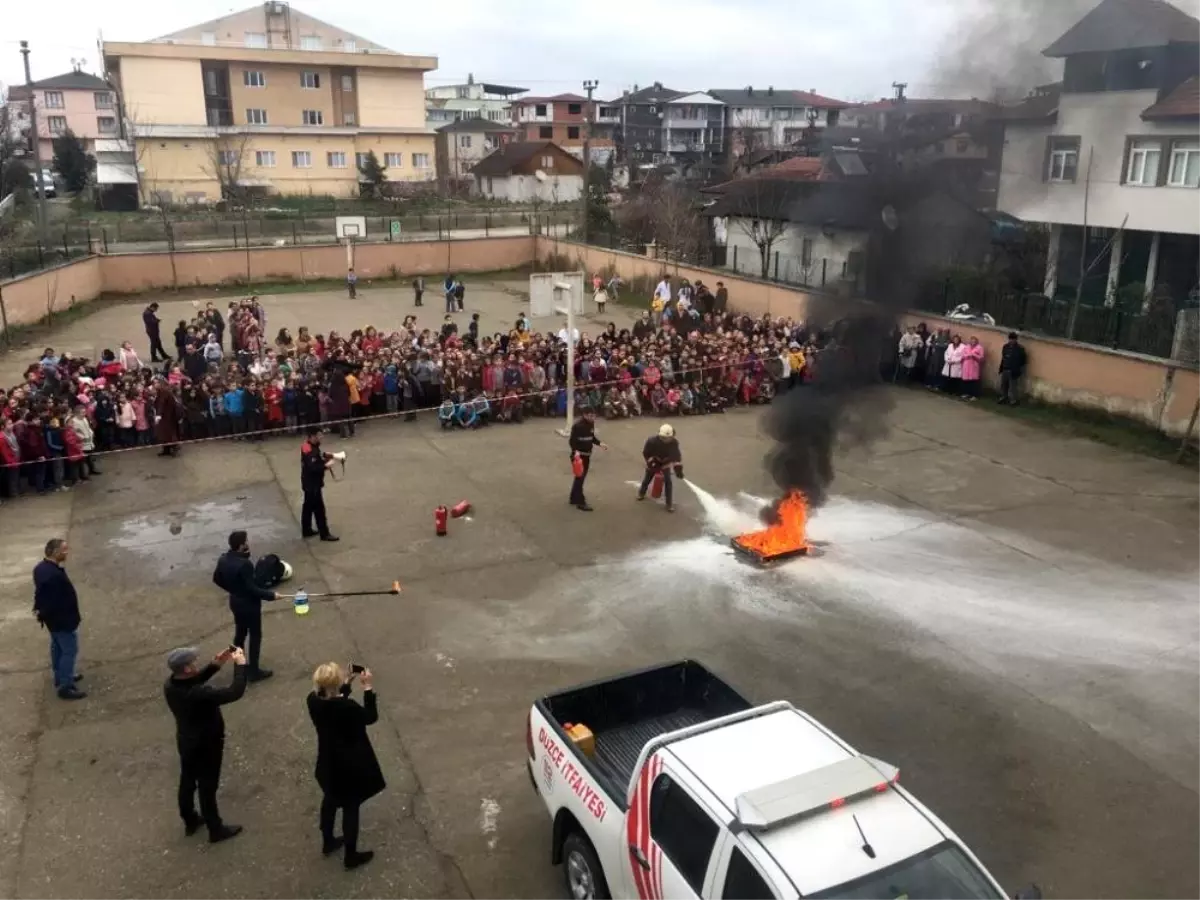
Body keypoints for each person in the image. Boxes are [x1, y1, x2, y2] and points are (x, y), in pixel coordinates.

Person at [164, 644, 247, 843]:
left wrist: (215, 664)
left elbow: (194, 679)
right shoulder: (199, 695)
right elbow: (234, 692)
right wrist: (240, 664)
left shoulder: (171, 684)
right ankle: (215, 828)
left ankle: (190, 818)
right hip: (206, 744)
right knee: (208, 786)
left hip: (186, 740)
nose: (196, 664)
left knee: (188, 781)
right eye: (193, 662)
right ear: (186, 668)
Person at [307, 662, 385, 870]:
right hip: (349, 766)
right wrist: (367, 688)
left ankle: (328, 840)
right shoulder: (346, 708)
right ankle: (351, 856)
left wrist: (346, 684)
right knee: (351, 807)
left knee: (330, 800)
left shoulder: (313, 701)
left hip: (327, 763)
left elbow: (333, 700)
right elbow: (370, 716)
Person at [212, 530, 278, 682]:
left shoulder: (223, 559)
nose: (248, 543)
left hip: (235, 602)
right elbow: (252, 589)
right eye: (246, 541)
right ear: (241, 545)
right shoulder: (245, 564)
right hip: (249, 605)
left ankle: (239, 666)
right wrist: (271, 595)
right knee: (255, 635)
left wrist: (232, 589)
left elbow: (216, 578)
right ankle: (254, 671)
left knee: (240, 633)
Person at [32, 538, 85, 700]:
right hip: (62, 620)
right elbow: (53, 602)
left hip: (53, 622)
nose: (66, 552)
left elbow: (41, 595)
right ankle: (65, 685)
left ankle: (60, 676)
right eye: (64, 550)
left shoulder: (40, 568)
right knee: (69, 650)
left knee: (57, 647)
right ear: (55, 552)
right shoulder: (53, 575)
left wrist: (40, 613)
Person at [300, 428, 340, 541]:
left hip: (308, 482)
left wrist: (324, 456)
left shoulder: (307, 446)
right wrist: (327, 465)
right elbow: (313, 467)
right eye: (319, 436)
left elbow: (314, 458)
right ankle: (324, 533)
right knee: (319, 509)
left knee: (307, 507)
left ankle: (306, 529)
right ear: (312, 436)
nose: (321, 438)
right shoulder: (310, 450)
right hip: (313, 484)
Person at [637, 423, 684, 513]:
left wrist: (678, 469)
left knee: (668, 483)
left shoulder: (674, 443)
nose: (665, 440)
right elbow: (646, 453)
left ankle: (669, 504)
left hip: (665, 463)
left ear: (672, 436)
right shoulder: (651, 441)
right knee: (647, 479)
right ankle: (641, 493)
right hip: (654, 462)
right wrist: (650, 462)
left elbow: (676, 456)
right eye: (662, 438)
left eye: (667, 438)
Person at [568, 407, 606, 511]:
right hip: (579, 457)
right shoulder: (578, 426)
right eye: (590, 416)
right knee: (580, 478)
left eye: (593, 416)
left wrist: (599, 443)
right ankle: (581, 502)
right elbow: (572, 441)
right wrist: (575, 452)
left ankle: (573, 498)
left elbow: (591, 437)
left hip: (587, 455)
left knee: (579, 478)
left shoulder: (590, 424)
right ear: (584, 415)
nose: (592, 418)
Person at [998, 332, 1027, 405]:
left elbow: (1023, 360)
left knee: (1012, 386)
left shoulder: (1020, 349)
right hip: (1005, 368)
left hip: (1013, 370)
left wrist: (1017, 367)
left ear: (1016, 340)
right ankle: (1003, 397)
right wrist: (1001, 368)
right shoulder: (1005, 347)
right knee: (1003, 385)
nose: (1011, 341)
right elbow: (1003, 358)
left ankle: (1013, 400)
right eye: (1010, 339)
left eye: (1013, 339)